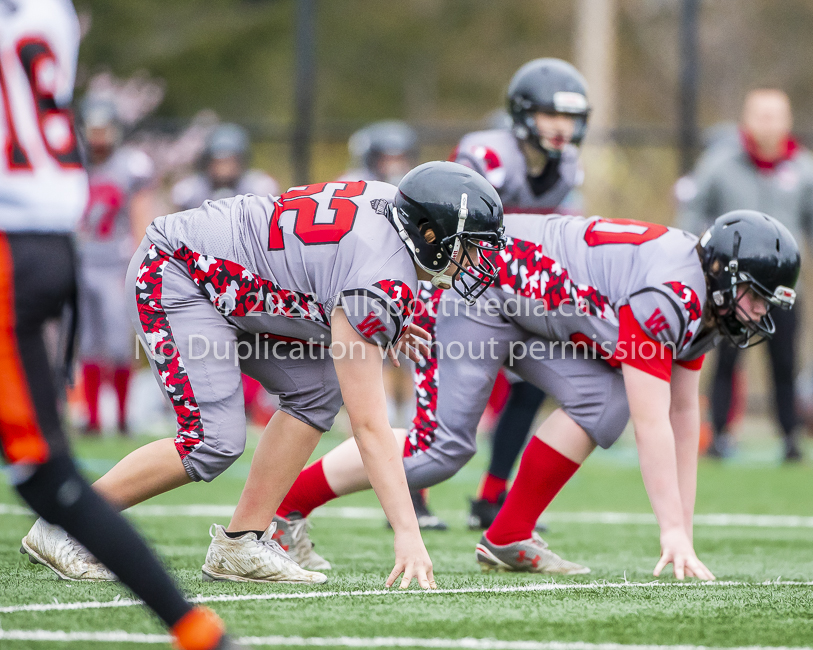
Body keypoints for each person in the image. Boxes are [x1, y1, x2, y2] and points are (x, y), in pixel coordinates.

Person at [22, 161, 506, 587]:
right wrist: (407, 532)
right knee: (212, 440)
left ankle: (242, 542)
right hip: (177, 272)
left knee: (317, 391)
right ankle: (64, 521)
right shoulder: (379, 279)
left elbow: (327, 271)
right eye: (468, 247)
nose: (475, 260)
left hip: (231, 285)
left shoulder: (388, 207)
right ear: (428, 234)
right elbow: (371, 428)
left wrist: (381, 321)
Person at [271, 210, 799, 579]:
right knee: (442, 449)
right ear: (722, 274)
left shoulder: (701, 301)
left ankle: (508, 534)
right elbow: (654, 424)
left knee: (605, 404)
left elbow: (684, 413)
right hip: (480, 290)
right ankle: (283, 511)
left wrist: (682, 530)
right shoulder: (672, 294)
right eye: (755, 296)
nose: (759, 313)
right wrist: (670, 531)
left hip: (531, 308)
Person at [1, 1, 237, 648]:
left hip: (13, 245)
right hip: (51, 249)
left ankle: (197, 631)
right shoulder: (49, 15)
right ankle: (196, 630)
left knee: (47, 474)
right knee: (48, 474)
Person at [452, 58, 589, 529]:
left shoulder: (567, 167)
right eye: (552, 115)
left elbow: (560, 236)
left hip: (510, 287)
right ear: (524, 114)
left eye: (569, 117)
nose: (561, 128)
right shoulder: (488, 155)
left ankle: (491, 497)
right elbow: (457, 225)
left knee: (532, 386)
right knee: (450, 396)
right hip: (456, 280)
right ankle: (414, 497)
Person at [680, 89, 813, 462]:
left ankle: (790, 436)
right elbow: (691, 213)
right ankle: (719, 434)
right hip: (728, 288)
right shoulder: (719, 164)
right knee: (723, 361)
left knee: (784, 362)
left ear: (787, 121)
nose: (768, 123)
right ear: (747, 119)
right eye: (761, 115)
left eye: (776, 115)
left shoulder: (804, 169)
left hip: (784, 289)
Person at [77, 97, 156, 435]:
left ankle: (123, 418)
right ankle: (93, 419)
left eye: (103, 129)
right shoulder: (74, 164)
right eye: (92, 129)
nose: (97, 137)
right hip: (82, 259)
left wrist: (142, 259)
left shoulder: (130, 166)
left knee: (117, 342)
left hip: (115, 262)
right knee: (86, 342)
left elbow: (140, 214)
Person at [171, 123, 279, 211]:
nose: (223, 167)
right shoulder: (191, 189)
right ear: (208, 161)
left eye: (228, 160)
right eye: (218, 160)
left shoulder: (257, 186)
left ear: (241, 161)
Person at [339, 120, 418, 185]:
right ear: (371, 159)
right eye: (387, 159)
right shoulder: (352, 182)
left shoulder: (415, 182)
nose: (395, 165)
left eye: (400, 158)